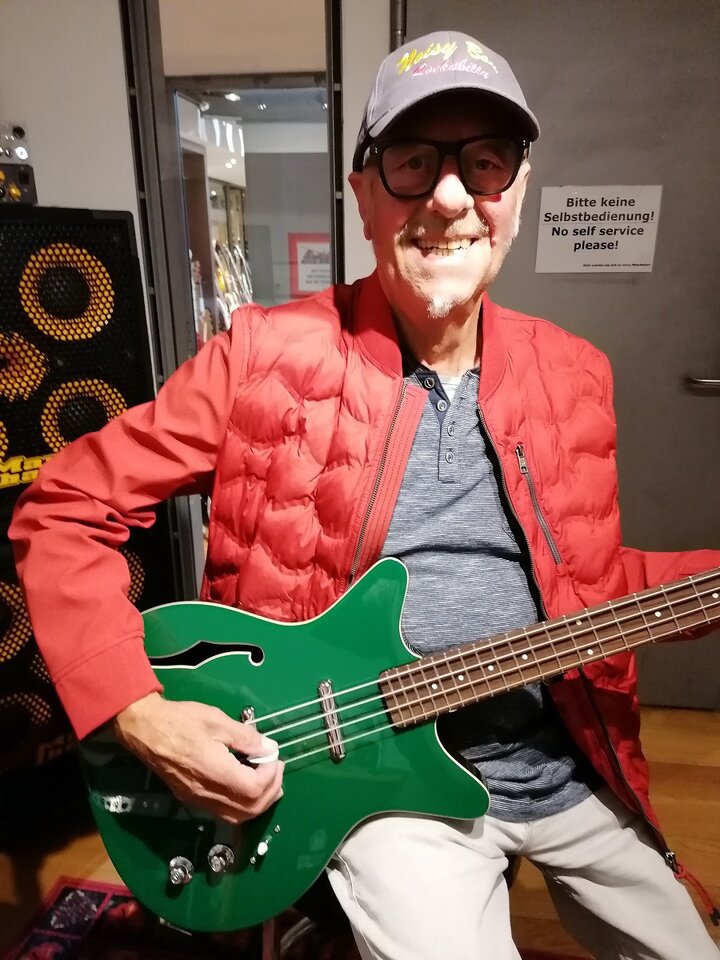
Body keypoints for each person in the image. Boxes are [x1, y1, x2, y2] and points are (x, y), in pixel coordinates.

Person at [9, 28, 720, 960]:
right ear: (365, 197)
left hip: (561, 762)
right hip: (371, 775)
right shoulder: (264, 355)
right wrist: (133, 707)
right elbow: (64, 505)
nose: (451, 197)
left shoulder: (576, 372)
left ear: (518, 192)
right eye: (413, 161)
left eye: (486, 162)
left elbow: (581, 578)